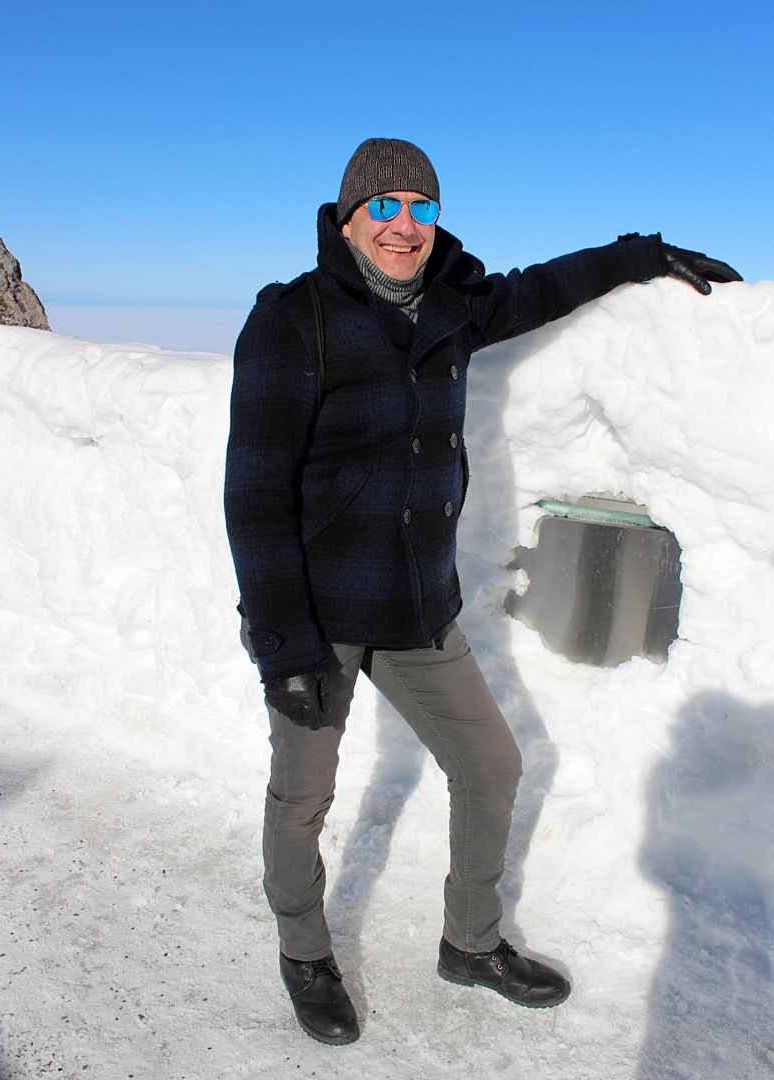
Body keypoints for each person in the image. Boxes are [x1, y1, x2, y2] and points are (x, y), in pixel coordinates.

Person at [223, 138, 741, 1045]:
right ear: (346, 218)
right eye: (382, 207)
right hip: (320, 615)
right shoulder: (292, 320)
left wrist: (643, 254)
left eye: (420, 208)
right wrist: (283, 647)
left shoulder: (453, 306)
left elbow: (538, 289)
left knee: (491, 766)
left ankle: (470, 943)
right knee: (301, 796)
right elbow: (255, 494)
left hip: (419, 608)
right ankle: (304, 953)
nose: (403, 227)